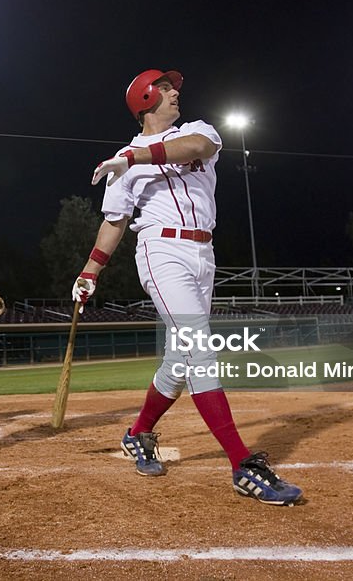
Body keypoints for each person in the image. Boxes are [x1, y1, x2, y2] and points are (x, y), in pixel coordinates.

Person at [73, 69, 303, 506]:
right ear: (144, 99)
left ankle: (138, 433)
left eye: (172, 87)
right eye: (163, 88)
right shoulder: (124, 157)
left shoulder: (195, 131)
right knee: (201, 349)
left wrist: (135, 160)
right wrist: (89, 272)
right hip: (161, 252)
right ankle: (242, 466)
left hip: (204, 255)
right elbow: (115, 221)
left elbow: (198, 148)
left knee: (179, 360)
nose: (174, 91)